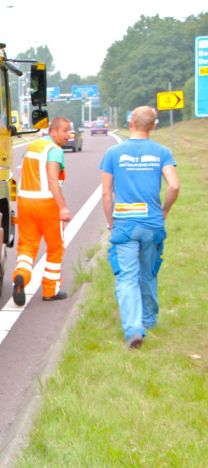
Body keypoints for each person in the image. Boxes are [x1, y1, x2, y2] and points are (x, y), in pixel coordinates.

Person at [99, 106, 179, 349]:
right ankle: (149, 320)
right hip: (152, 224)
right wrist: (164, 210)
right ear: (153, 126)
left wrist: (111, 222)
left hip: (125, 224)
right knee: (148, 273)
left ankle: (133, 329)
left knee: (126, 277)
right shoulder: (162, 152)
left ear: (131, 122)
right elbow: (174, 186)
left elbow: (105, 193)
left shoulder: (113, 152)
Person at [12, 117, 73, 306]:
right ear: (53, 131)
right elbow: (53, 180)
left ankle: (21, 275)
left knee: (27, 246)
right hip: (46, 204)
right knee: (55, 247)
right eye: (64, 131)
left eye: (69, 131)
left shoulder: (33, 146)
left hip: (25, 202)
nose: (68, 135)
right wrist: (62, 206)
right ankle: (50, 289)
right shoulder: (54, 151)